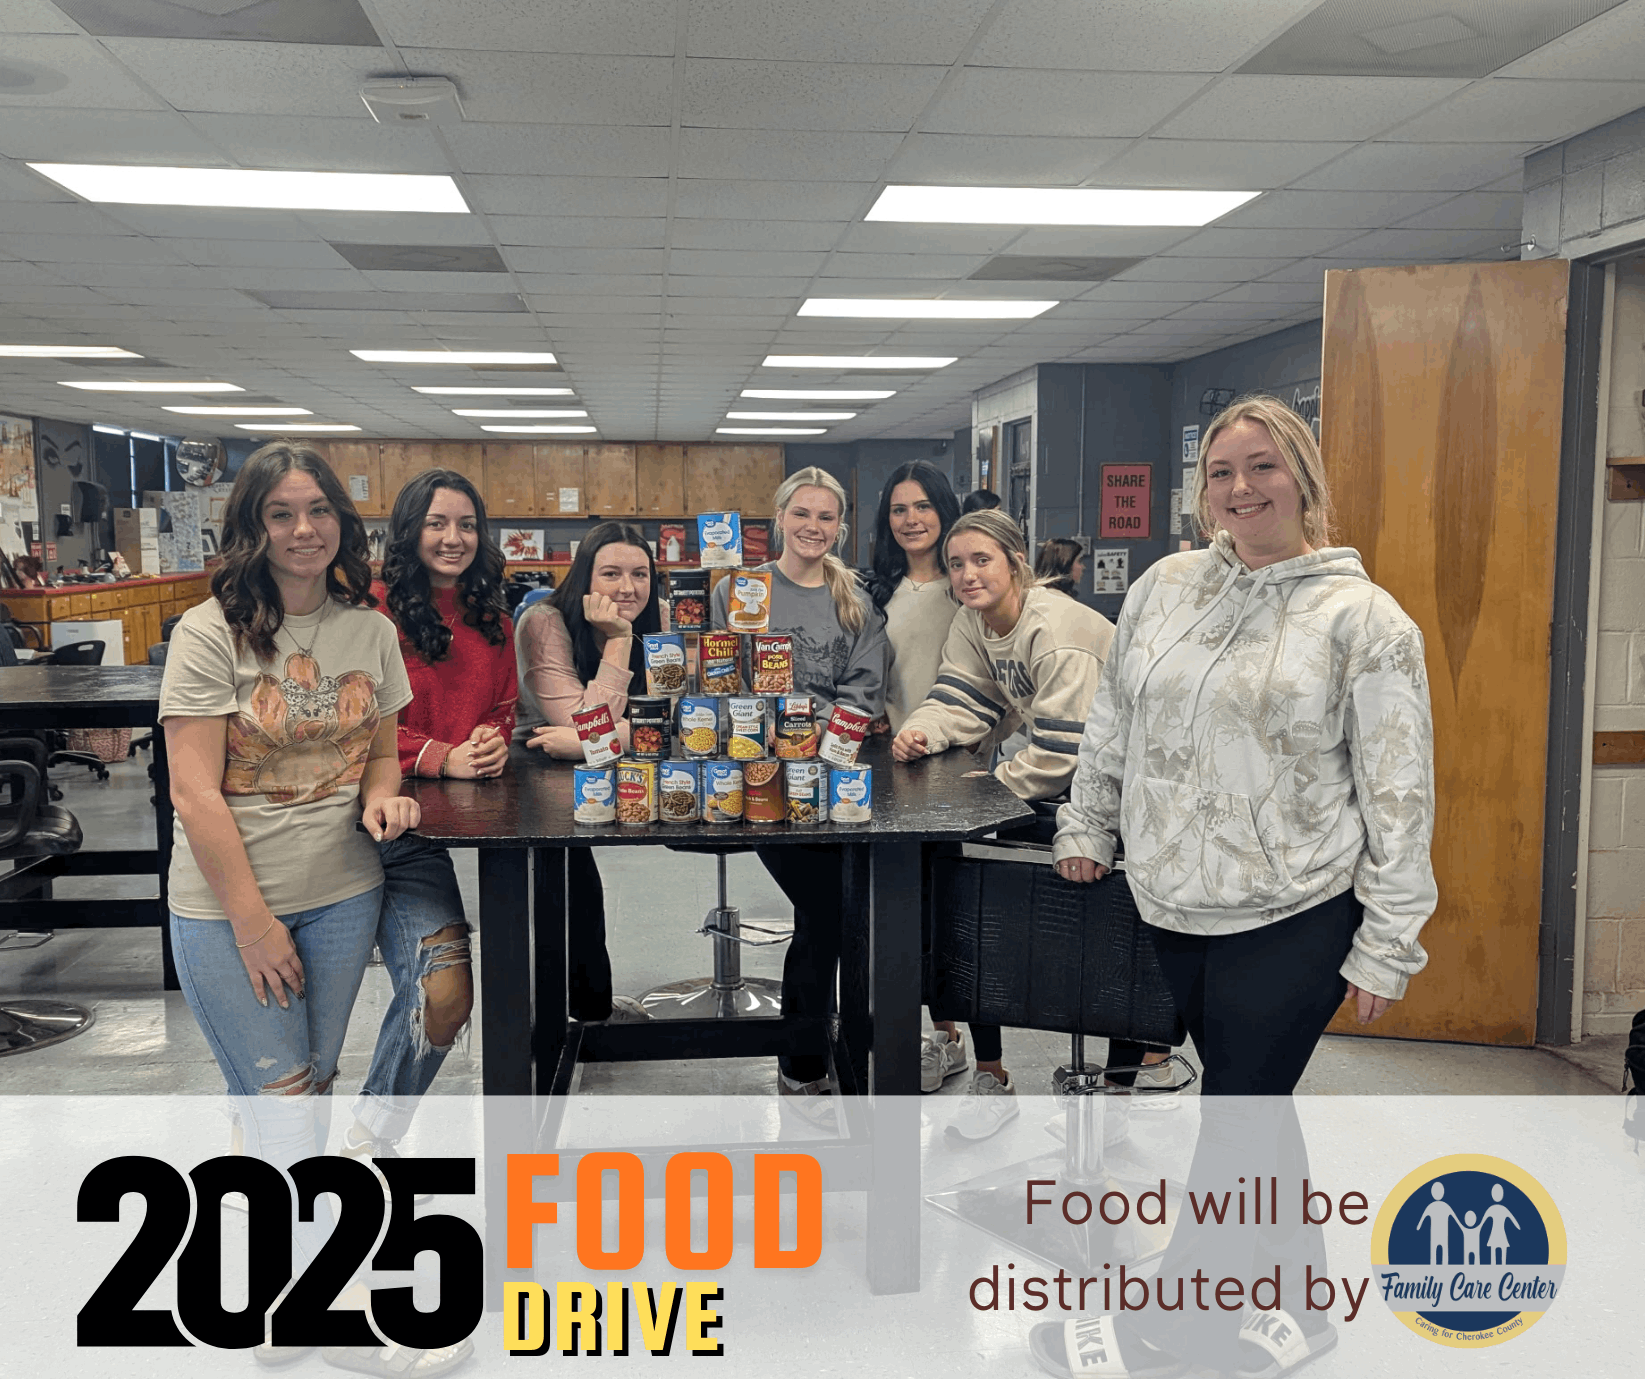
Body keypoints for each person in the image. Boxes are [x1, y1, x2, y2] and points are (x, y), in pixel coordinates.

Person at [1035, 392, 1436, 1379]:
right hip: (1176, 901)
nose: (1241, 487)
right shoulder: (1167, 586)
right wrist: (1086, 818)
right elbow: (1116, 716)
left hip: (1298, 907)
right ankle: (1304, 1306)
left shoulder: (1364, 620)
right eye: (1221, 470)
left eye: (1262, 465)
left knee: (1238, 1115)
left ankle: (1175, 1334)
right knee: (1254, 1104)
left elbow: (1401, 790)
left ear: (1302, 476)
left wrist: (1387, 937)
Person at [163, 443, 472, 1371]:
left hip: (344, 892)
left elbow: (380, 748)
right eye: (281, 514)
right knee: (284, 1102)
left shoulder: (367, 632)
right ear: (252, 528)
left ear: (343, 522)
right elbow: (194, 793)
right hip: (229, 909)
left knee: (306, 1093)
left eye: (319, 512)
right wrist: (254, 923)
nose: (303, 531)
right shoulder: (208, 631)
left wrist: (386, 794)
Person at [892, 509, 1165, 1140]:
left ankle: (1116, 1096)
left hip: (1124, 794)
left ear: (1017, 564)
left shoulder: (1059, 630)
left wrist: (991, 787)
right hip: (1059, 789)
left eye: (981, 560)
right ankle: (992, 1073)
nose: (966, 574)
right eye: (957, 563)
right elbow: (962, 698)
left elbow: (1065, 752)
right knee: (966, 901)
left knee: (1107, 939)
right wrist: (923, 732)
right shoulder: (973, 621)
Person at [339, 468, 516, 1164]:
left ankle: (367, 1140)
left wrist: (489, 742)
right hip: (335, 829)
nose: (454, 537)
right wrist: (440, 754)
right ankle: (277, 1152)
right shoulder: (366, 614)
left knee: (444, 993)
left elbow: (499, 711)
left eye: (467, 524)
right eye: (438, 523)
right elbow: (350, 729)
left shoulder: (492, 620)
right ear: (408, 531)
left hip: (413, 837)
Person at [710, 466, 887, 1122]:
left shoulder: (853, 597)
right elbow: (712, 675)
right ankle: (805, 1057)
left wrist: (825, 736)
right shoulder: (741, 589)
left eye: (826, 517)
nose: (813, 527)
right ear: (779, 517)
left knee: (842, 915)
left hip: (830, 778)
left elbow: (865, 686)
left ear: (840, 526)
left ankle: (816, 1056)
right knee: (826, 909)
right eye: (801, 514)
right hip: (756, 778)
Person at [515, 520, 662, 1021]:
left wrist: (585, 743)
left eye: (640, 574)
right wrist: (619, 640)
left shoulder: (662, 620)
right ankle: (577, 1016)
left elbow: (685, 721)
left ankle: (589, 1007)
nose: (628, 588)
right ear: (585, 577)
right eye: (611, 573)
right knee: (572, 880)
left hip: (629, 773)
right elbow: (582, 720)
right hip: (546, 784)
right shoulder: (544, 620)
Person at [863, 459, 963, 733]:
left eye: (923, 506)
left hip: (960, 750)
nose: (911, 520)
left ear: (943, 510)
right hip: (892, 746)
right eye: (899, 510)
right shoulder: (871, 594)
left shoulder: (968, 591)